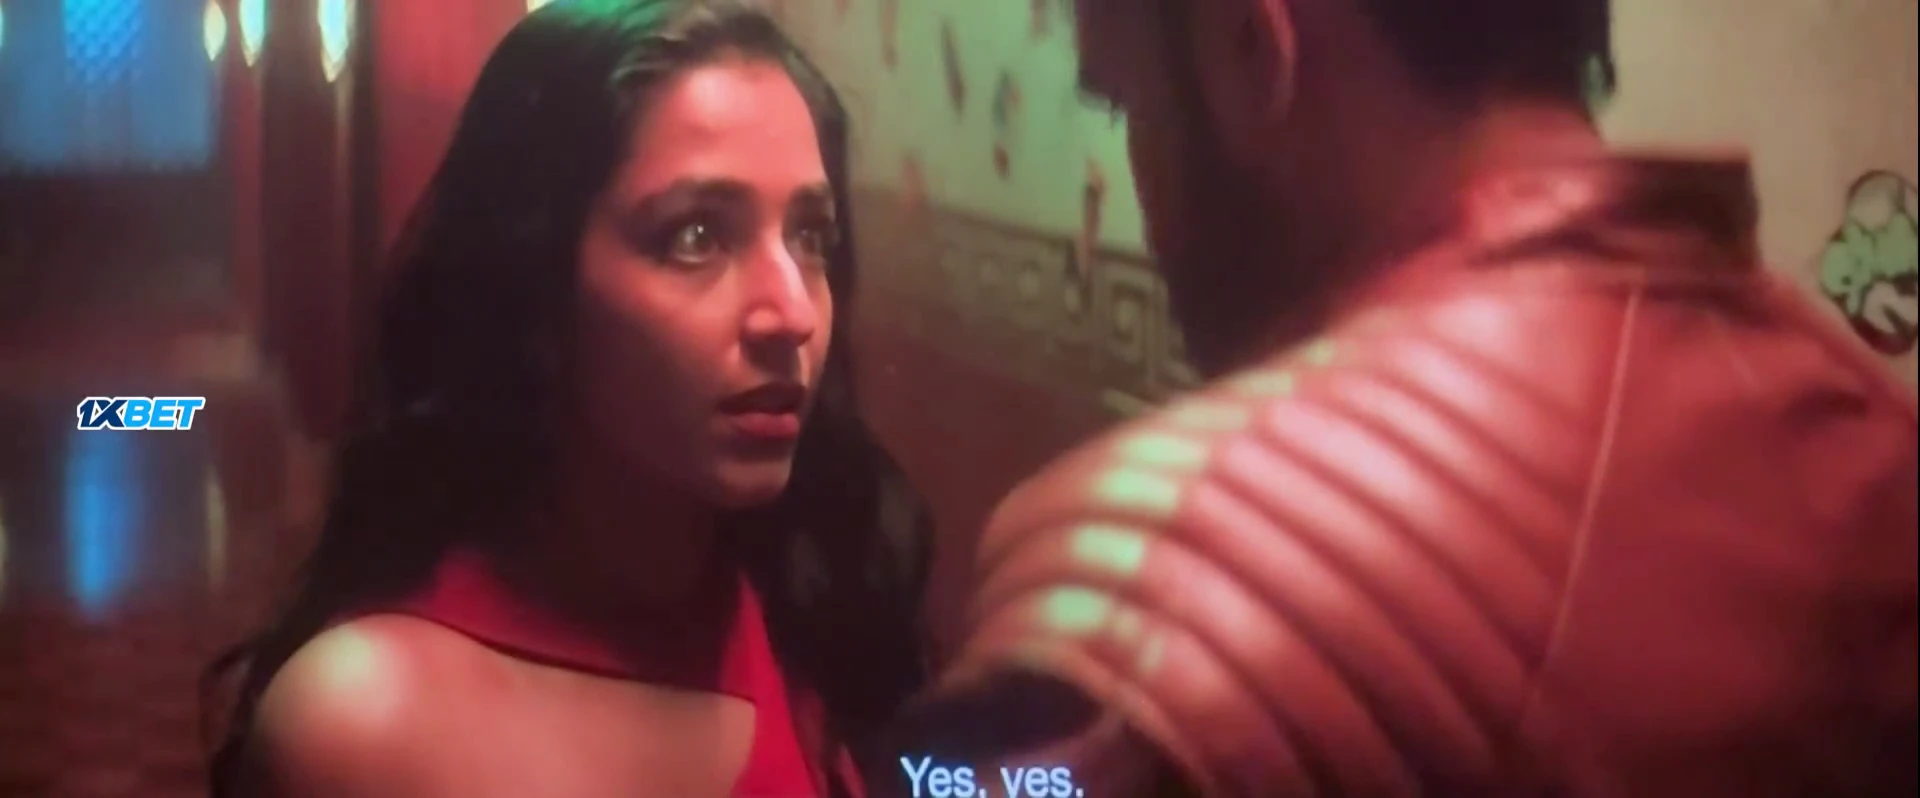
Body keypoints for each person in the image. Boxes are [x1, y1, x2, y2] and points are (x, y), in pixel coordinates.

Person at [882, 1, 1918, 796]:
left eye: (1128, 105)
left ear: (1251, 50)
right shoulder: (1875, 442)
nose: (1143, 184)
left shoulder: (1147, 590)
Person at [202, 2, 932, 796]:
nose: (791, 313)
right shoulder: (366, 721)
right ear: (534, 286)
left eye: (809, 237)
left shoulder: (815, 608)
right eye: (696, 237)